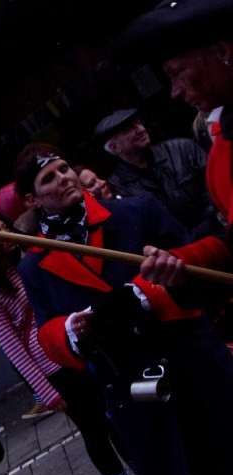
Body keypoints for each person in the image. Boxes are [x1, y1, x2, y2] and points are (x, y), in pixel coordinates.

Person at [13, 142, 233, 475]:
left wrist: (151, 291)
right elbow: (46, 332)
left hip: (189, 358)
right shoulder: (34, 264)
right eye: (48, 179)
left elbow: (203, 261)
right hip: (129, 383)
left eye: (64, 168)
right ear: (33, 201)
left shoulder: (134, 212)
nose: (63, 179)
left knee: (226, 452)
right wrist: (72, 330)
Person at [0, 212, 162, 475]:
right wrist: (45, 391)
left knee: (120, 420)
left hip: (79, 347)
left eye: (5, 226)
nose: (5, 234)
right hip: (53, 367)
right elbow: (12, 347)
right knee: (94, 431)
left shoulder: (32, 255)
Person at [115, 0, 233, 337]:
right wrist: (183, 264)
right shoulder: (222, 155)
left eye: (176, 72)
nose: (175, 92)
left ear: (222, 50)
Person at [94, 108, 220, 238]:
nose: (141, 129)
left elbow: (216, 185)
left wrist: (207, 225)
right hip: (173, 253)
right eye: (129, 129)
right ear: (115, 148)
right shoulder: (117, 187)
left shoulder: (183, 149)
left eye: (138, 123)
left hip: (217, 234)